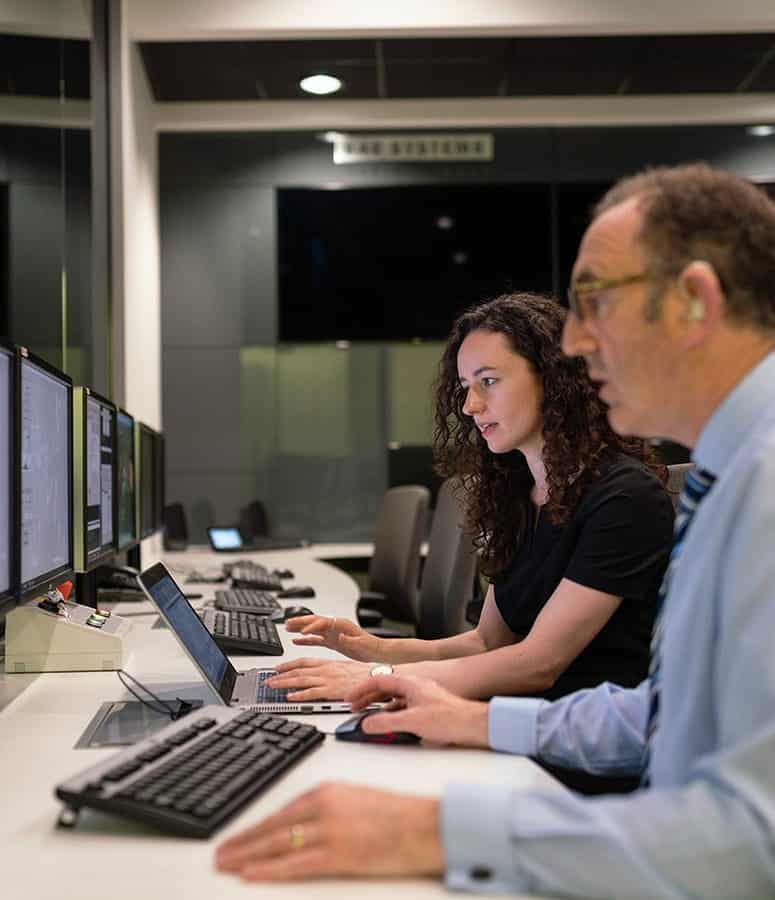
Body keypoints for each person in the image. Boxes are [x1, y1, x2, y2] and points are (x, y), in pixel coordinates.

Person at [215, 163, 775, 897]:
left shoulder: (752, 488)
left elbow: (751, 846)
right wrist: (471, 721)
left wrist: (431, 828)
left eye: (592, 303)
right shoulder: (724, 477)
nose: (574, 343)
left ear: (693, 302)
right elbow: (657, 718)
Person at [267, 293, 673, 708]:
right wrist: (373, 649)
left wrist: (378, 678)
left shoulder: (625, 498)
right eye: (465, 387)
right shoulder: (517, 495)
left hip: (571, 745)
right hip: (508, 721)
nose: (470, 405)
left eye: (489, 381)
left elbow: (539, 662)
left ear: (553, 377)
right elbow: (487, 643)